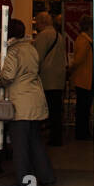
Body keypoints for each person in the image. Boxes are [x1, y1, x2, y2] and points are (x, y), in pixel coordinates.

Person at [0, 18, 55, 186]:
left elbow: (7, 76)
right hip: (34, 99)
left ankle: (23, 181)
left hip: (20, 102)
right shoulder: (30, 48)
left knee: (19, 145)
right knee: (35, 141)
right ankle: (47, 176)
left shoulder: (13, 51)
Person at [33, 11, 66, 146]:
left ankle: (52, 138)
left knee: (48, 109)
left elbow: (37, 58)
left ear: (42, 23)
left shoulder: (43, 36)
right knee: (56, 109)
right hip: (58, 77)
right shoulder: (59, 36)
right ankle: (57, 136)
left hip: (47, 78)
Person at [67, 15, 93, 142]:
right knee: (83, 108)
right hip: (84, 80)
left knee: (83, 108)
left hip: (84, 79)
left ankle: (83, 132)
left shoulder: (82, 39)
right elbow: (79, 60)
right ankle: (82, 133)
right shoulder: (85, 41)